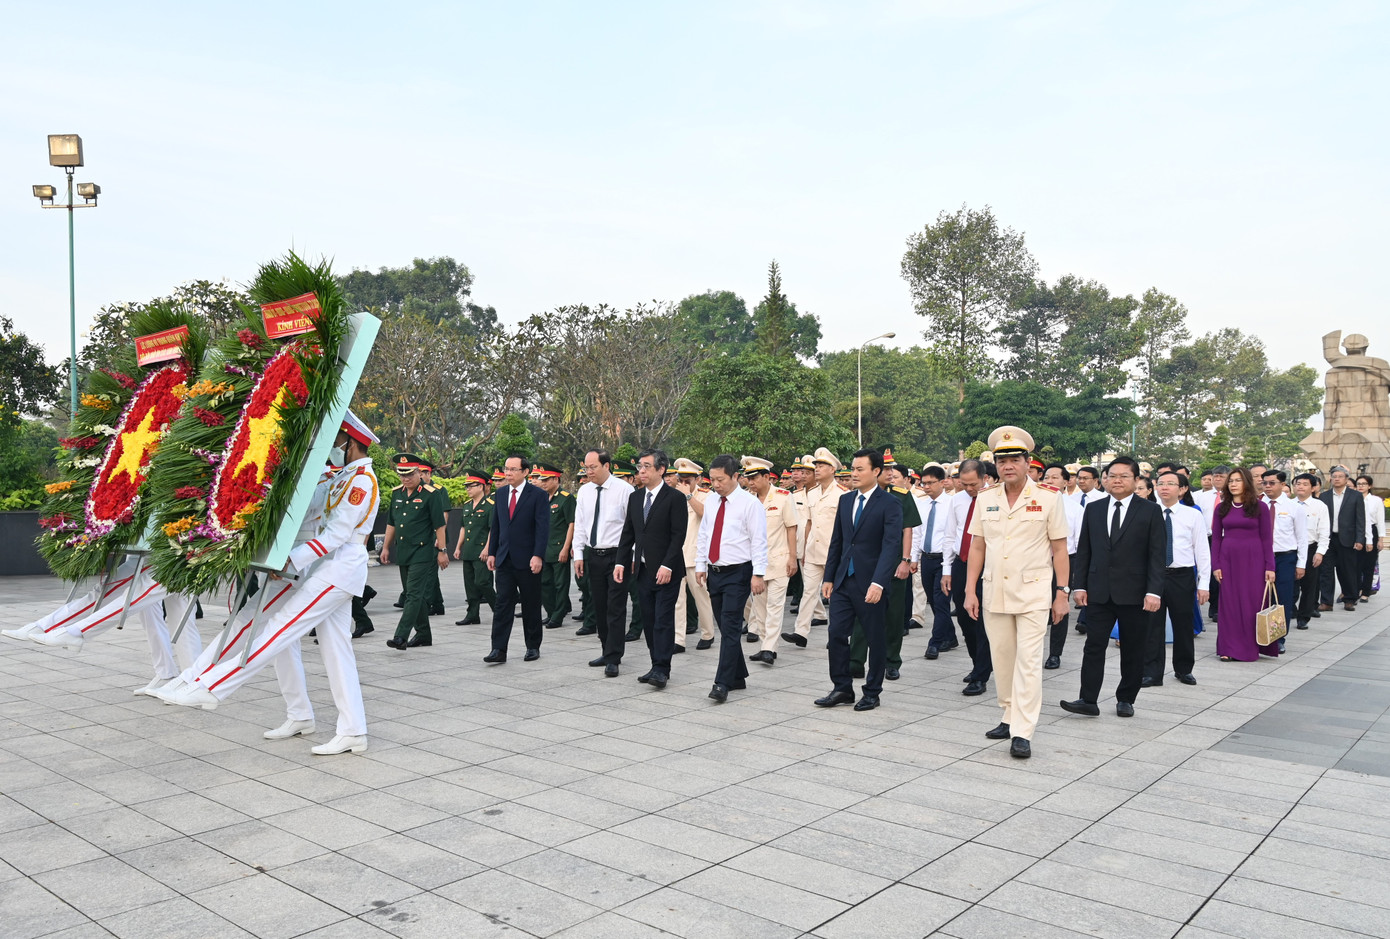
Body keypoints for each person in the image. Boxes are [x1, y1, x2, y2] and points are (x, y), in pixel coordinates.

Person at [164, 411, 380, 755]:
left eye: (337, 440)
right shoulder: (341, 476)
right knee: (337, 651)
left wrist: (291, 559)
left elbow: (338, 534)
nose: (333, 446)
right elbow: (310, 509)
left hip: (339, 569)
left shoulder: (362, 481)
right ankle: (352, 730)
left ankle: (213, 685)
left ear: (351, 442)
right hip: (325, 566)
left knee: (280, 628)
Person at [960, 427, 1069, 758]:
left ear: (1027, 462)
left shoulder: (1049, 497)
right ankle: (1009, 714)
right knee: (1003, 659)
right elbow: (977, 546)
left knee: (1029, 662)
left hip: (1033, 593)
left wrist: (1062, 592)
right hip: (995, 591)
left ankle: (1023, 731)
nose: (1008, 466)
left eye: (1015, 460)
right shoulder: (985, 498)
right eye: (1002, 461)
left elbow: (1060, 549)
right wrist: (970, 590)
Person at [1061, 456, 1166, 719]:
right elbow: (1085, 550)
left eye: (1124, 476)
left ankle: (1126, 699)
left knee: (1132, 648)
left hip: (1135, 592)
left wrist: (1154, 591)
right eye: (1112, 476)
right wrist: (1079, 585)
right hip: (1099, 591)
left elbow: (1157, 555)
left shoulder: (1150, 510)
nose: (1117, 481)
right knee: (1093, 646)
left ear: (1136, 480)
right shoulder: (1094, 509)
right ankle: (1088, 699)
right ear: (1105, 480)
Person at [812, 448, 902, 712]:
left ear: (876, 471)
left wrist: (879, 583)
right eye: (853, 468)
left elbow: (891, 546)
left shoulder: (890, 503)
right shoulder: (846, 500)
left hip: (871, 583)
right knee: (836, 634)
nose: (854, 473)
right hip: (843, 581)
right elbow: (838, 541)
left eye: (860, 469)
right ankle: (842, 687)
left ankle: (872, 691)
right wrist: (829, 577)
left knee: (875, 638)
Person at [694, 454, 768, 703]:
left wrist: (758, 574)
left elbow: (759, 541)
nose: (716, 484)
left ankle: (722, 683)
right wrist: (701, 564)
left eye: (721, 479)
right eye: (712, 479)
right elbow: (705, 534)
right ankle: (738, 676)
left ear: (735, 476)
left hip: (739, 572)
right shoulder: (712, 501)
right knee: (726, 627)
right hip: (715, 572)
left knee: (731, 625)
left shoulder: (750, 504)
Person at [614, 449, 687, 688]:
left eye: (646, 466)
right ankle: (656, 663)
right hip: (643, 570)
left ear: (661, 469)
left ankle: (662, 669)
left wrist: (667, 564)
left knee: (663, 620)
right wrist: (620, 561)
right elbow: (628, 533)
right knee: (648, 619)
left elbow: (678, 536)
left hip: (667, 571)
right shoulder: (636, 498)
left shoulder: (674, 498)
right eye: (639, 467)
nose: (641, 471)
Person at [849, 450, 919, 681]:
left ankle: (892, 661)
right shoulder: (858, 497)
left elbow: (907, 529)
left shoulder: (900, 496)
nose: (890, 473)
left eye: (892, 469)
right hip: (866, 564)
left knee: (893, 615)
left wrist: (905, 560)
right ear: (876, 470)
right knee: (861, 613)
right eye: (886, 469)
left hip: (893, 564)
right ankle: (856, 661)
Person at [1145, 470, 1210, 686]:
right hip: (1153, 576)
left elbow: (1202, 550)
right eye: (1161, 483)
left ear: (1182, 489)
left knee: (1183, 624)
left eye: (1170, 483)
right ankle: (1152, 672)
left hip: (1182, 575)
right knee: (1152, 625)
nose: (1164, 487)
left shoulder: (1192, 514)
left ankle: (1184, 669)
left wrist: (1204, 583)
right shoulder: (1148, 512)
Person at [483, 455, 550, 664]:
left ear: (525, 472)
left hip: (528, 560)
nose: (508, 473)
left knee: (531, 604)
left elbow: (542, 528)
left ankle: (532, 646)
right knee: (502, 605)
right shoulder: (501, 493)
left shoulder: (538, 495)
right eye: (506, 469)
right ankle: (498, 649)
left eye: (513, 469)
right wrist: (492, 552)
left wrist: (538, 555)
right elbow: (497, 526)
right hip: (504, 559)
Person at [573, 449, 630, 676]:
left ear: (607, 466)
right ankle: (606, 650)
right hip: (593, 555)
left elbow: (632, 527)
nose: (589, 472)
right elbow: (580, 524)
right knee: (599, 606)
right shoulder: (584, 491)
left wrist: (630, 557)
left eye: (593, 467)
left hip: (617, 556)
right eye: (586, 467)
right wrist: (579, 554)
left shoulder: (624, 490)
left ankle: (614, 657)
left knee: (615, 607)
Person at [1211, 467, 1278, 661]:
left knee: (1252, 604)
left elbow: (1267, 539)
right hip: (1228, 560)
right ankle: (1228, 648)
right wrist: (1216, 565)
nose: (1233, 484)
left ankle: (1249, 648)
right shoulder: (1221, 508)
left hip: (1254, 561)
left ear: (1246, 483)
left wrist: (1270, 566)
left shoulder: (1260, 507)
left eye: (1238, 480)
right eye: (1231, 481)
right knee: (1229, 605)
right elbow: (1216, 539)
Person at [382, 455, 447, 649]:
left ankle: (401, 636)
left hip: (422, 551)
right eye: (402, 475)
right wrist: (385, 547)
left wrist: (442, 551)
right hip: (403, 551)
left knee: (413, 594)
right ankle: (424, 634)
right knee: (413, 594)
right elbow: (392, 523)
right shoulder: (397, 493)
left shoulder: (431, 494)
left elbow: (440, 525)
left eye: (409, 474)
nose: (405, 478)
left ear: (419, 472)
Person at [739, 456, 799, 665]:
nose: (751, 482)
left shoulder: (783, 497)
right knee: (760, 607)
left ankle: (768, 648)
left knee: (775, 606)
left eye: (754, 477)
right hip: (756, 563)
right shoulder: (746, 499)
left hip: (779, 559)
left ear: (767, 477)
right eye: (748, 478)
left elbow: (791, 528)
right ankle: (767, 645)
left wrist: (793, 557)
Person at [941, 460, 991, 694]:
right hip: (961, 563)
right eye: (964, 484)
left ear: (984, 478)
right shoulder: (957, 500)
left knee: (983, 621)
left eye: (973, 484)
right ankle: (977, 663)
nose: (969, 489)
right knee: (964, 618)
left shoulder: (994, 498)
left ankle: (981, 675)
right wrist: (946, 570)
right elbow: (950, 535)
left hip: (988, 566)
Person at [786, 448, 840, 647]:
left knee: (835, 596)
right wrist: (805, 548)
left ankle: (836, 635)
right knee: (809, 592)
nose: (817, 469)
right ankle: (800, 632)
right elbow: (809, 523)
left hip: (833, 553)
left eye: (822, 465)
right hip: (812, 552)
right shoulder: (812, 493)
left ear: (832, 469)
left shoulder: (842, 493)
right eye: (816, 465)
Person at [1041, 463, 1084, 669]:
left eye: (1055, 477)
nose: (1049, 481)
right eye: (1046, 477)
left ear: (1066, 482)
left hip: (1065, 560)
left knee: (1060, 604)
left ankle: (1055, 653)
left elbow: (1080, 542)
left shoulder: (1075, 509)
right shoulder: (1034, 503)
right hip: (1038, 561)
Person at [671, 458, 715, 651]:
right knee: (677, 601)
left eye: (687, 480)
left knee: (701, 598)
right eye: (680, 479)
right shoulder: (672, 495)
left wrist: (688, 496)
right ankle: (678, 640)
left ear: (698, 479)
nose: (683, 483)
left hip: (695, 555)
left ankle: (708, 634)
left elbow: (706, 515)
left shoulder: (707, 495)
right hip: (676, 555)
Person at [1261, 470, 1307, 644]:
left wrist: (1301, 563)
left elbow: (1302, 538)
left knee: (1282, 598)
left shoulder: (1294, 507)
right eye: (1265, 483)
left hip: (1285, 558)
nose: (1267, 486)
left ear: (1282, 484)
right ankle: (1260, 635)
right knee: (1261, 596)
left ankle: (1279, 638)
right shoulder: (1257, 505)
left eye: (1272, 483)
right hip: (1261, 557)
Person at [918, 464, 955, 659]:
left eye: (931, 483)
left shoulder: (952, 504)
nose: (926, 487)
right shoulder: (921, 504)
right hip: (926, 558)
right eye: (924, 483)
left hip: (945, 560)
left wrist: (949, 564)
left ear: (943, 482)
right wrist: (913, 558)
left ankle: (935, 642)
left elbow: (952, 536)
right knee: (933, 601)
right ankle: (951, 636)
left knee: (941, 601)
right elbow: (917, 533)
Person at [534, 463, 576, 629]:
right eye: (542, 480)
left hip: (559, 548)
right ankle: (551, 613)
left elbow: (571, 524)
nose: (543, 483)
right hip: (544, 549)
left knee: (560, 585)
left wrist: (566, 548)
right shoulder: (542, 498)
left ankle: (558, 616)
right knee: (545, 583)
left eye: (546, 480)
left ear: (556, 479)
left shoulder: (566, 498)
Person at [452, 469, 496, 626]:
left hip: (481, 551)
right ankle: (472, 615)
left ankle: (499, 610)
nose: (468, 489)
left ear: (481, 486)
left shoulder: (490, 506)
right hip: (469, 551)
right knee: (470, 585)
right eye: (467, 486)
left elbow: (492, 529)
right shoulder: (467, 506)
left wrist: (487, 549)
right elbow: (463, 528)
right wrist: (458, 547)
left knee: (482, 582)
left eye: (471, 486)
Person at [1319, 465, 1366, 611]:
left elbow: (1360, 519)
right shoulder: (1324, 496)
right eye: (1334, 476)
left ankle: (1349, 599)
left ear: (1346, 479)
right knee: (1326, 571)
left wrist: (1360, 539)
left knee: (1347, 571)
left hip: (1347, 539)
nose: (1337, 479)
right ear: (1330, 479)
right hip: (1328, 539)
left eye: (1340, 476)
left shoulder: (1355, 496)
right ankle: (1326, 602)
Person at [1292, 472, 1330, 629]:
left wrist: (1320, 552)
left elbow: (1324, 531)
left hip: (1310, 548)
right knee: (1290, 584)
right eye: (1298, 483)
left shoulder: (1320, 506)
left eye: (1305, 484)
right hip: (1291, 549)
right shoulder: (1288, 504)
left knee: (1309, 585)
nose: (1300, 487)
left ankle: (1304, 617)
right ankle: (1290, 610)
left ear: (1313, 488)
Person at [1356, 475, 1383, 601]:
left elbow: (1380, 521)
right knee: (1356, 564)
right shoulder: (1353, 498)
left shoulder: (1376, 500)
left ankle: (1366, 591)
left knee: (1369, 563)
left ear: (1369, 486)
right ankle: (1356, 589)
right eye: (1359, 484)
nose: (1361, 486)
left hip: (1372, 530)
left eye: (1364, 484)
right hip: (1356, 532)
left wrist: (1380, 539)